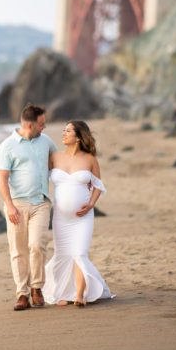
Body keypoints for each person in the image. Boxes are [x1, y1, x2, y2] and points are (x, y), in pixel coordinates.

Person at [42, 120, 113, 307]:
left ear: (79, 137)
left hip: (83, 218)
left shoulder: (90, 159)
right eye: (63, 130)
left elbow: (98, 185)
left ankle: (80, 294)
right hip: (60, 217)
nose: (63, 133)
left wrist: (91, 204)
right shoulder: (55, 157)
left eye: (68, 131)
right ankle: (64, 293)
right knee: (63, 254)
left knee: (79, 253)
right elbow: (38, 176)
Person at [0, 103, 58, 311]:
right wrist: (10, 206)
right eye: (42, 124)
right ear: (29, 125)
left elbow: (58, 162)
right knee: (18, 250)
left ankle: (36, 288)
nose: (45, 127)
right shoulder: (7, 146)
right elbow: (2, 179)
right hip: (17, 205)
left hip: (41, 202)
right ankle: (22, 293)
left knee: (37, 245)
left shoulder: (46, 141)